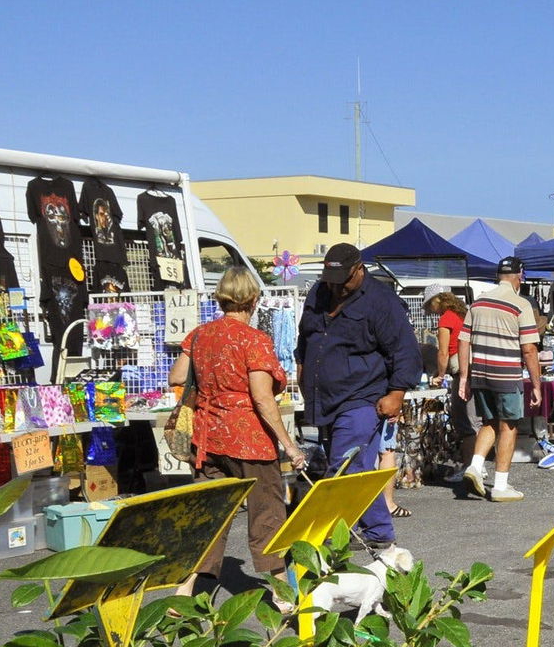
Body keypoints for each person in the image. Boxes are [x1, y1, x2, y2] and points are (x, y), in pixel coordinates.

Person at [171, 266, 307, 593]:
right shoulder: (255, 340)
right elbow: (262, 399)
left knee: (211, 516)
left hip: (207, 438)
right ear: (253, 299)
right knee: (267, 517)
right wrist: (290, 446)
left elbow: (176, 377)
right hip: (249, 440)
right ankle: (282, 594)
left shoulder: (200, 335)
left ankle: (184, 590)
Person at [297, 242, 421, 546]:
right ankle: (369, 530)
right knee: (354, 467)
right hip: (325, 398)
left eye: (342, 280)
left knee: (345, 463)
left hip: (362, 395)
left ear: (359, 270)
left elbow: (404, 348)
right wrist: (301, 371)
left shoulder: (381, 300)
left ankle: (353, 532)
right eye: (330, 279)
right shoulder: (318, 293)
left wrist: (397, 392)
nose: (335, 287)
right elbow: (307, 337)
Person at [458, 256, 542, 501]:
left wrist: (465, 376)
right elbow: (529, 349)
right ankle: (500, 485)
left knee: (489, 422)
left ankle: (474, 466)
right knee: (509, 426)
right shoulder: (521, 305)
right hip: (506, 374)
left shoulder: (477, 304)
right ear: (519, 278)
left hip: (480, 374)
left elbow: (464, 340)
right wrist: (536, 384)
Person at [426, 292, 480, 485]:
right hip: (476, 367)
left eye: (429, 304)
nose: (429, 309)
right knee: (476, 420)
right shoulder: (462, 314)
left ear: (437, 300)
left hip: (461, 370)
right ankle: (477, 465)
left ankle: (470, 467)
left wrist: (439, 375)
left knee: (464, 422)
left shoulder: (446, 318)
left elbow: (442, 352)